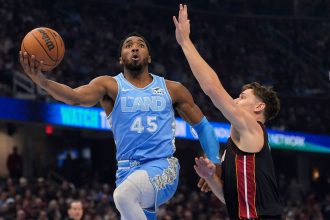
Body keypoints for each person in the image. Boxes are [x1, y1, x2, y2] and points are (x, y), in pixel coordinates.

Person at [19, 32, 220, 220]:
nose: (134, 48)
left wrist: (214, 163)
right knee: (127, 195)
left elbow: (203, 126)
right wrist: (42, 82)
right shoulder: (109, 86)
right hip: (126, 172)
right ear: (121, 58)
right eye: (128, 46)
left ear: (149, 57)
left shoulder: (172, 89)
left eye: (140, 45)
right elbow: (74, 97)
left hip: (163, 166)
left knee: (123, 196)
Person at [173, 4, 282, 220]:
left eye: (242, 98)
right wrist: (211, 176)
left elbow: (212, 89)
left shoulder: (253, 128)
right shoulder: (236, 148)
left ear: (258, 107)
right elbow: (230, 198)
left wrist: (185, 42)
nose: (234, 100)